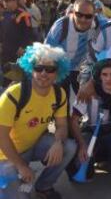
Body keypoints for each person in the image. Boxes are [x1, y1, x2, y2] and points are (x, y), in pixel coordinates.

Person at [0, 43, 76, 199]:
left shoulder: (59, 94)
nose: (43, 73)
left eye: (50, 69)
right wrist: (21, 166)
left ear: (57, 72)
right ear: (31, 68)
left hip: (32, 146)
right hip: (5, 156)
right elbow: (1, 137)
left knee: (69, 146)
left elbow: (61, 125)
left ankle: (44, 187)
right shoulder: (14, 94)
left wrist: (58, 143)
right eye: (38, 68)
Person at [69, 46, 111, 180]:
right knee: (81, 163)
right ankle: (91, 158)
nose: (109, 79)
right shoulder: (88, 92)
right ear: (99, 76)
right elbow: (73, 120)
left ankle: (108, 158)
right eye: (104, 74)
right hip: (91, 131)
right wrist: (82, 144)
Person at [45, 0, 107, 107]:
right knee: (60, 103)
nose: (83, 19)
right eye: (79, 14)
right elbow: (46, 52)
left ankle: (84, 120)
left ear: (94, 16)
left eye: (88, 16)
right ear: (73, 12)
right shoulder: (61, 26)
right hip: (61, 68)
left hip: (83, 69)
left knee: (87, 101)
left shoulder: (100, 24)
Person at [0, 0, 33, 87]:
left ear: (15, 1)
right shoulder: (3, 14)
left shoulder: (23, 14)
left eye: (7, 0)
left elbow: (28, 33)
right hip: (5, 51)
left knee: (17, 80)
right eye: (4, 0)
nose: (5, 2)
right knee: (6, 78)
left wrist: (23, 47)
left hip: (18, 51)